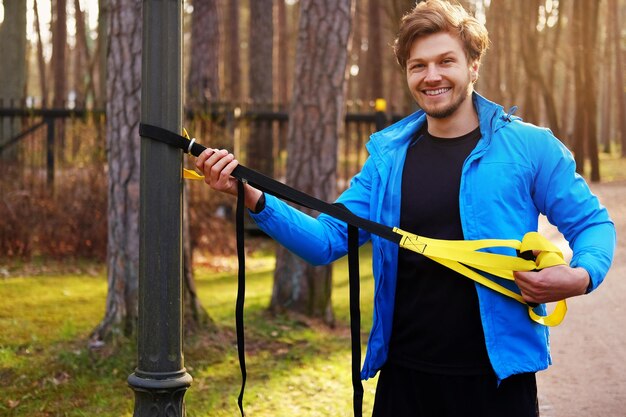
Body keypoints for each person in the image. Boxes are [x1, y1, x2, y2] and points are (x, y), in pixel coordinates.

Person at [194, 1, 616, 416]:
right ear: (407, 74)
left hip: (498, 383)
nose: (432, 76)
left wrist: (579, 277)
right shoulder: (386, 160)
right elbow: (325, 241)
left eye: (445, 61)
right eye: (418, 66)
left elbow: (592, 224)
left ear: (473, 64)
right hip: (405, 380)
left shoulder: (529, 147)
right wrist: (251, 197)